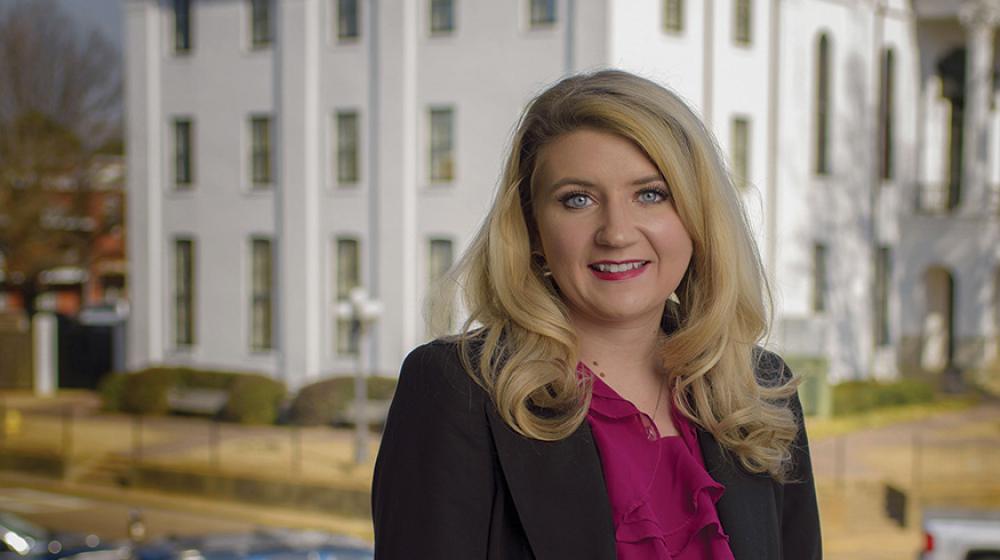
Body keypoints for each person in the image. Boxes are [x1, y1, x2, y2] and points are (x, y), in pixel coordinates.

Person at [372, 69, 822, 559]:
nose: (616, 232)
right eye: (577, 200)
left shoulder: (757, 391)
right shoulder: (457, 391)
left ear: (697, 217)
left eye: (651, 194)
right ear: (533, 230)